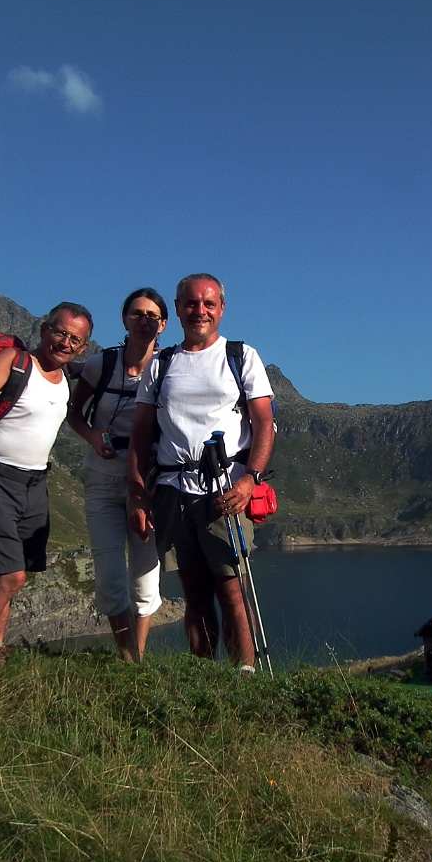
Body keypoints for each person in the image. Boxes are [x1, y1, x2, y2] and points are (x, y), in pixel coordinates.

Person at [127, 274, 274, 670]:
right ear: (176, 310)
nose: (200, 311)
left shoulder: (241, 357)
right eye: (191, 304)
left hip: (226, 491)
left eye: (209, 304)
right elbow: (141, 435)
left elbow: (264, 425)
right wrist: (138, 492)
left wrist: (250, 479)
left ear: (222, 309)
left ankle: (243, 675)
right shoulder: (161, 364)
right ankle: (204, 676)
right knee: (193, 592)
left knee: (231, 590)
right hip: (173, 491)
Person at [0, 302, 93, 664]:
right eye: (59, 332)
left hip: (35, 483)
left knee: (14, 575)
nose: (65, 342)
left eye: (75, 339)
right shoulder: (15, 363)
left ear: (83, 348)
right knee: (10, 575)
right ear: (44, 329)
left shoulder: (65, 380)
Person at [67, 289, 169, 663]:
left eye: (152, 315)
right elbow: (74, 411)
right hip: (102, 480)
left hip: (148, 482)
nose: (144, 320)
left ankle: (136, 661)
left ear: (163, 323)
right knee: (110, 580)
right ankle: (128, 659)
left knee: (145, 577)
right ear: (124, 319)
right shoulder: (100, 365)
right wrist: (93, 437)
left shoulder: (169, 367)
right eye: (137, 313)